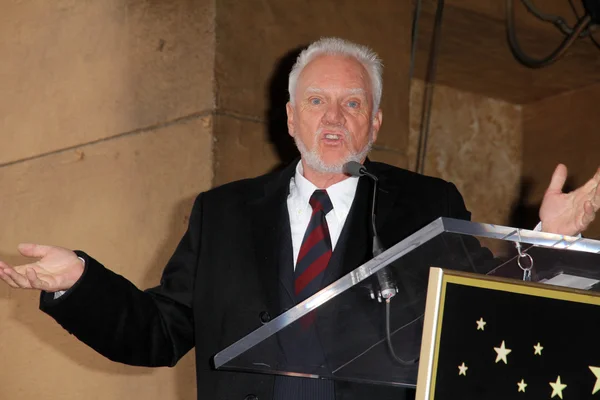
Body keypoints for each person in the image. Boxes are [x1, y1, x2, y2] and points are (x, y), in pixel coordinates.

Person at [0, 37, 599, 400]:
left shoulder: (426, 205)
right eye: (316, 101)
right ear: (290, 118)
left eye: (353, 103)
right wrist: (80, 283)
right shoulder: (224, 214)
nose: (333, 117)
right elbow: (159, 331)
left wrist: (549, 240)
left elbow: (483, 309)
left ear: (376, 124)